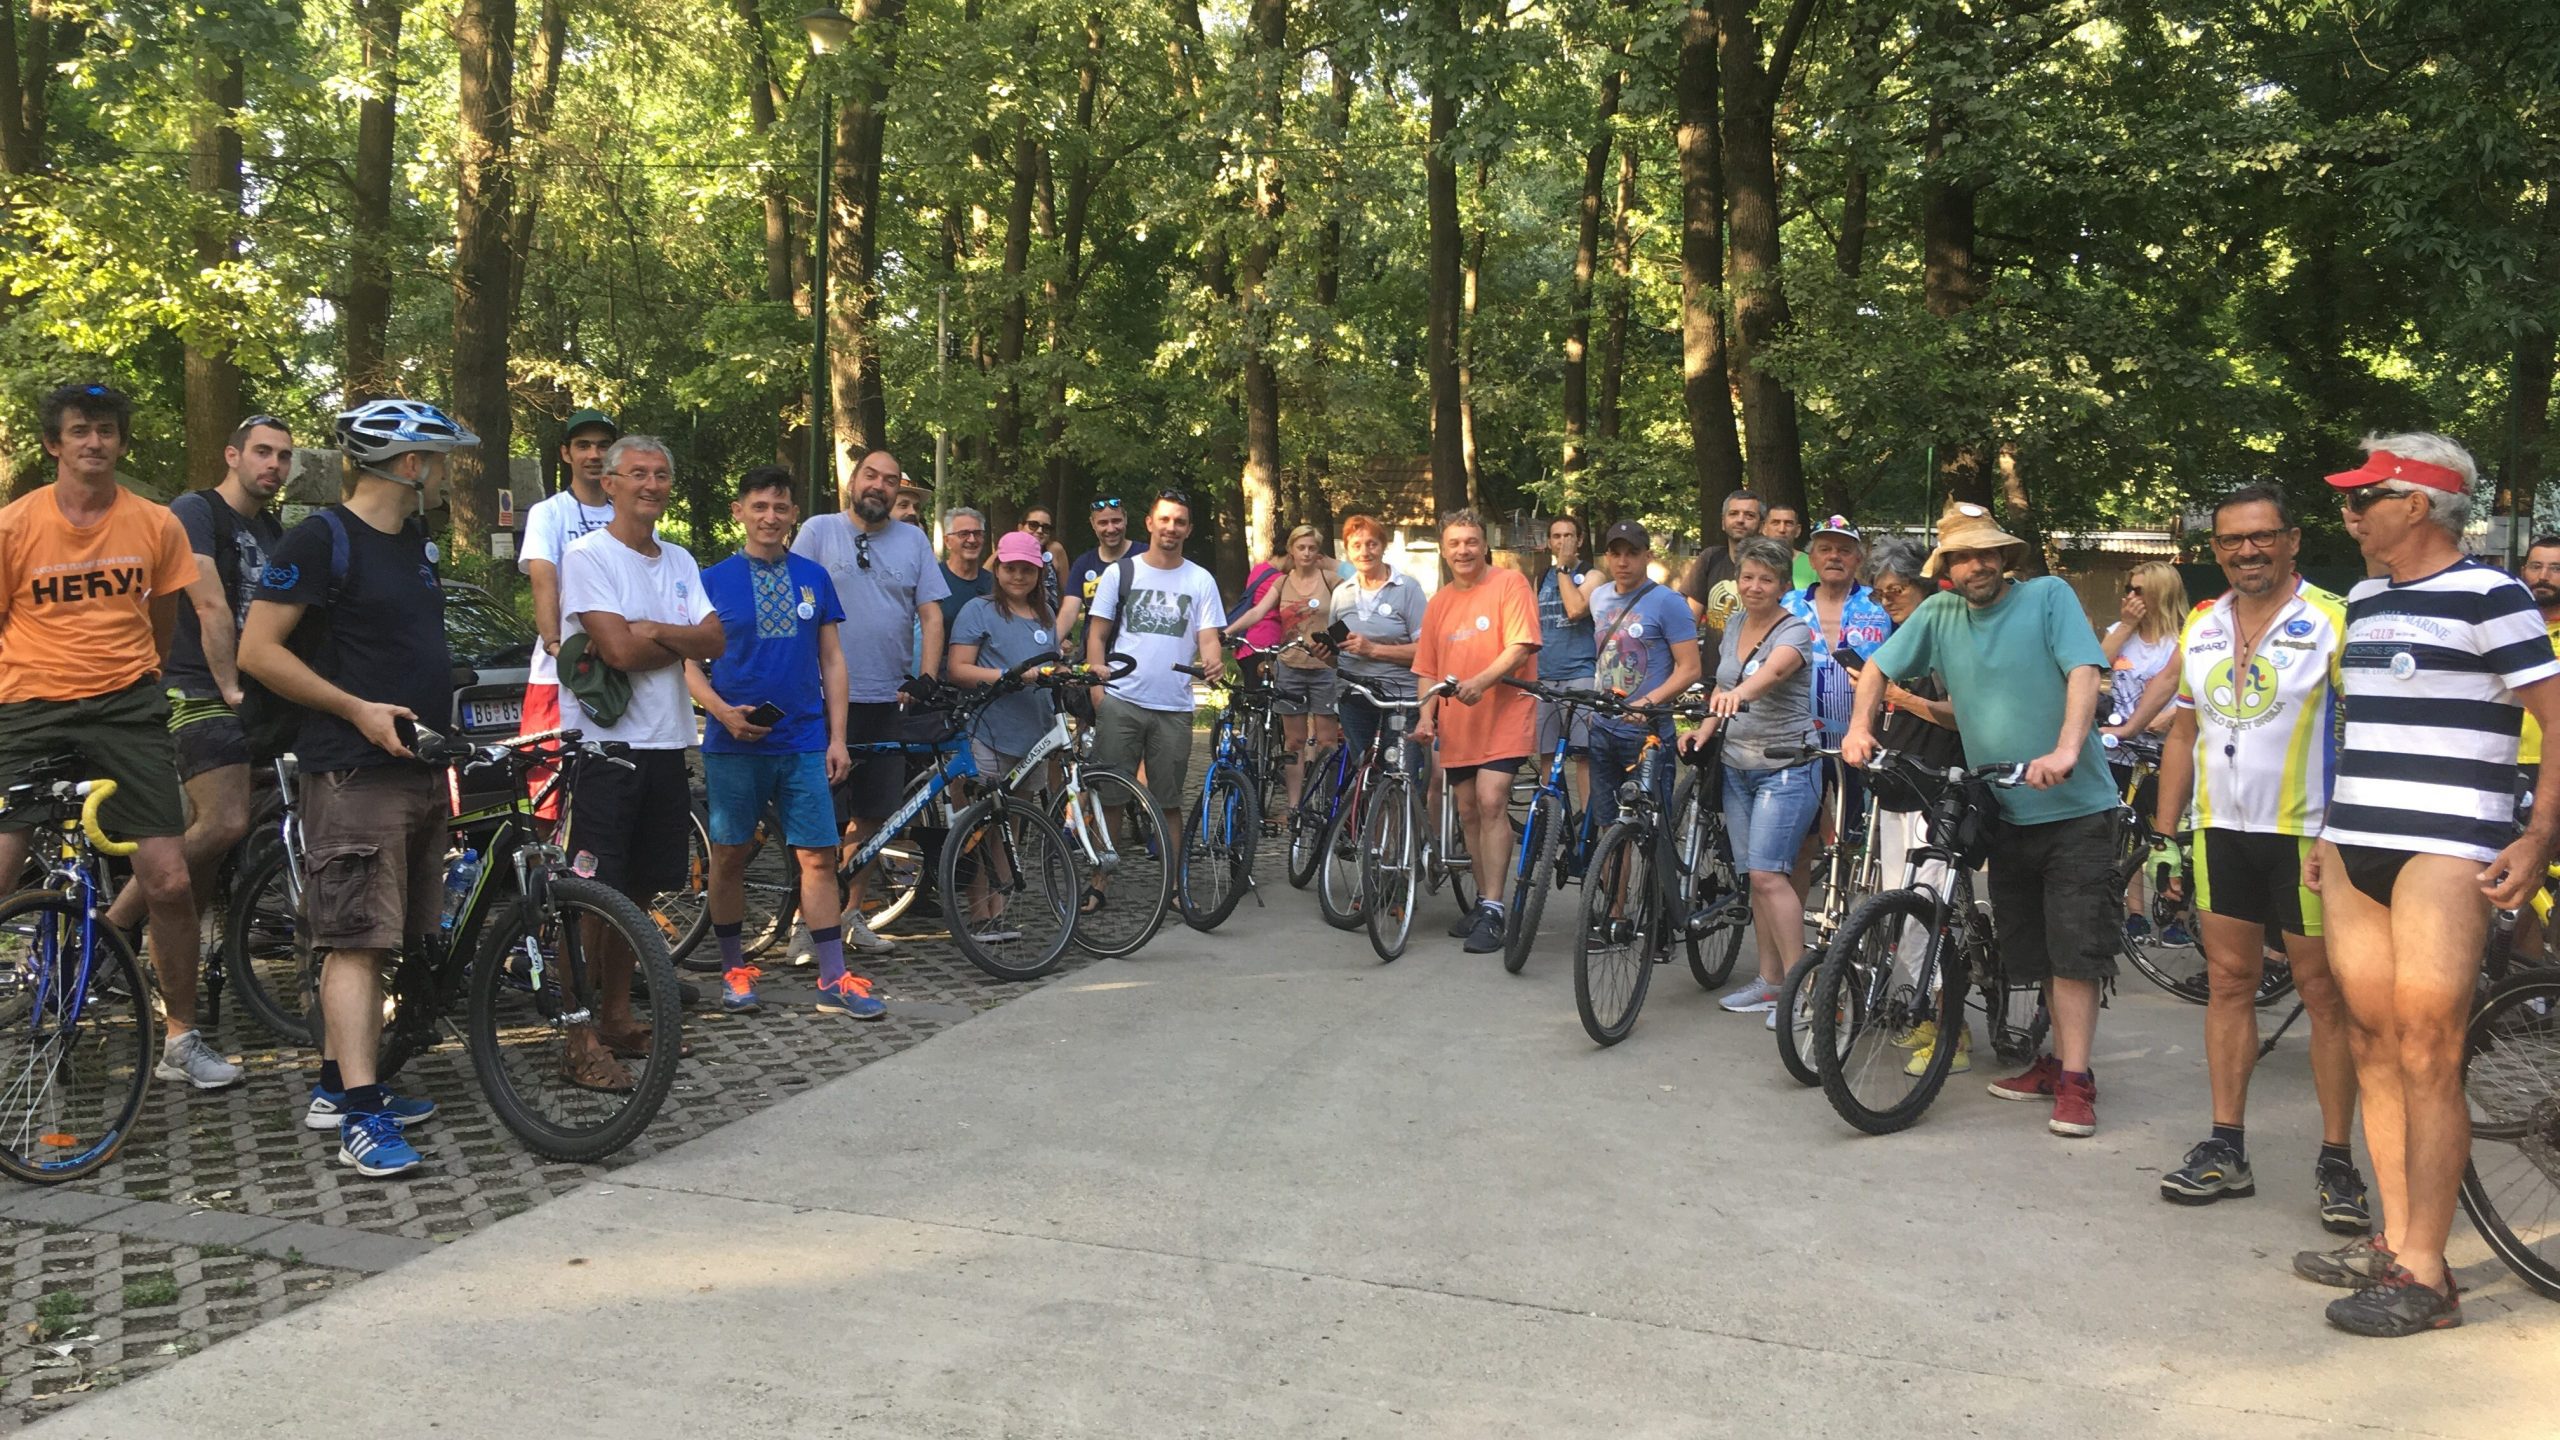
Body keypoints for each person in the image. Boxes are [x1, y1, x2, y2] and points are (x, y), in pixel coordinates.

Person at [2301, 433, 2560, 1337]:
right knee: (2373, 1038)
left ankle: (2429, 1274)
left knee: (2426, 1043)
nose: (2348, 513)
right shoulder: (2367, 597)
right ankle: (2397, 1240)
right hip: (2357, 843)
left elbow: (2556, 721)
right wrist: (2328, 831)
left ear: (2417, 504)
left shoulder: (2494, 593)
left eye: (2362, 499)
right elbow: (2361, 727)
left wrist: (2537, 837)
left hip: (2447, 846)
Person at [239, 398, 479, 1175]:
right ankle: (363, 1122)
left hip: (414, 769)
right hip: (349, 769)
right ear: (410, 466)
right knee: (355, 940)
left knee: (400, 933)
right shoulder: (320, 539)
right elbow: (258, 650)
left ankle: (336, 1085)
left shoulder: (414, 541)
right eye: (439, 459)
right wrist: (355, 708)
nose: (445, 474)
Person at [1842, 500, 2117, 1139]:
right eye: (1964, 555)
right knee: (2035, 948)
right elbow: (1879, 665)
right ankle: (2050, 1062)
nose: (1978, 564)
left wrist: (2068, 748)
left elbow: (2084, 669)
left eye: (1988, 552)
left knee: (2073, 948)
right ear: (1948, 567)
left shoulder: (2048, 596)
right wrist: (1859, 728)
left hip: (2077, 806)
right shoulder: (1937, 613)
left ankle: (2076, 1081)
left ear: (2004, 557)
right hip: (2005, 806)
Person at [0, 383, 236, 1094]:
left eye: (105, 431)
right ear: (54, 444)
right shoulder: (14, 527)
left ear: (120, 442)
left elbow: (163, 619)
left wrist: (139, 682)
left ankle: (182, 1039)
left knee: (169, 877)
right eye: (79, 431)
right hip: (29, 707)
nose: (94, 443)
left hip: (127, 708)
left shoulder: (156, 524)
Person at [2145, 483, 2366, 1234]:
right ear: (2215, 550)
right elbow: (2183, 732)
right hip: (2220, 832)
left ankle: (2338, 1158)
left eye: (2263, 536)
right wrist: (2163, 831)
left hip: (2306, 834)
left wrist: (2341, 829)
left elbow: (2364, 738)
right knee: (2231, 982)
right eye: (2233, 540)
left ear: (2292, 539)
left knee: (2324, 993)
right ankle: (2225, 1145)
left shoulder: (2334, 618)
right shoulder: (2202, 625)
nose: (2249, 550)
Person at [557, 438, 727, 1076]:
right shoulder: (587, 556)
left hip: (667, 742)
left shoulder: (680, 558)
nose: (651, 484)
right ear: (610, 484)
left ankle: (618, 1019)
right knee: (591, 892)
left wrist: (649, 629)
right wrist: (663, 640)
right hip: (608, 749)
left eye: (662, 473)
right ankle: (577, 1039)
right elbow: (618, 654)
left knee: (637, 890)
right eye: (638, 474)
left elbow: (715, 639)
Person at [686, 466, 881, 1023]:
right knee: (728, 856)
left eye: (781, 507)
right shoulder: (710, 580)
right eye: (760, 506)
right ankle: (734, 969)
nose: (770, 516)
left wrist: (837, 737)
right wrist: (720, 712)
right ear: (739, 512)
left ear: (794, 514)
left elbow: (833, 660)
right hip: (731, 745)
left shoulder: (814, 577)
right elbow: (687, 665)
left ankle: (833, 973)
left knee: (818, 857)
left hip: (802, 742)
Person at [110, 415, 290, 988]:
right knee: (223, 822)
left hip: (251, 694)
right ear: (232, 455)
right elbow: (209, 604)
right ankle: (110, 931)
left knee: (211, 856)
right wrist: (231, 687)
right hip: (193, 686)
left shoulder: (273, 530)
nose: (274, 466)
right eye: (262, 452)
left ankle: (181, 976)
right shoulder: (196, 511)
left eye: (284, 457)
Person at [792, 448, 948, 952]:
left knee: (874, 813)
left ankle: (850, 914)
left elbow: (931, 614)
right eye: (870, 476)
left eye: (889, 480)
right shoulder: (818, 530)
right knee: (818, 814)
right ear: (853, 481)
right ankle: (805, 922)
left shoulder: (914, 539)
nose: (878, 486)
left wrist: (925, 678)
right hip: (821, 698)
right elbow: (793, 601)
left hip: (887, 697)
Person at [1682, 536, 1818, 1019]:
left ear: (1783, 585)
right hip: (1737, 766)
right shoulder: (1736, 621)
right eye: (1747, 577)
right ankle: (1770, 981)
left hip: (1786, 767)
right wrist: (1703, 730)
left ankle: (1805, 991)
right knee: (1753, 879)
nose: (1754, 586)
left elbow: (1774, 674)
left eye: (1765, 579)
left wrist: (1741, 695)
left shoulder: (1796, 631)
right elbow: (1722, 683)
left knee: (1768, 874)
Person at [1856, 538, 1971, 1072]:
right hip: (1901, 782)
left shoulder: (1947, 632)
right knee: (1901, 906)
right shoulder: (1903, 634)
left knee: (1931, 909)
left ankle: (1955, 1032)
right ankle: (1926, 1011)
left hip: (1939, 785)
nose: (1887, 602)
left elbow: (1959, 713)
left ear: (1922, 584)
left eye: (1894, 590)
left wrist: (1898, 697)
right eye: (1879, 595)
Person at [1411, 510, 1540, 955]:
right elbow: (1426, 669)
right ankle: (1487, 903)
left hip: (1504, 713)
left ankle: (1495, 907)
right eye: (1454, 543)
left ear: (1484, 546)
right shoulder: (1439, 603)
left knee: (1490, 799)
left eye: (1471, 541)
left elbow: (1520, 647)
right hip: (1458, 722)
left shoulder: (1510, 585)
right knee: (1466, 810)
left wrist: (1482, 682)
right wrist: (1426, 716)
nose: (1463, 550)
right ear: (1444, 551)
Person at [1084, 490, 1225, 887]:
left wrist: (1212, 658)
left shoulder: (1200, 579)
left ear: (1189, 529)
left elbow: (1209, 636)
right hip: (1122, 700)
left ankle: (1175, 884)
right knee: (1110, 797)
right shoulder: (1121, 572)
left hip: (1174, 707)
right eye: (1164, 520)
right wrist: (1098, 684)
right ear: (1149, 523)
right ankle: (1101, 882)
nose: (1171, 528)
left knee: (1168, 802)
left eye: (1179, 521)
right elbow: (1097, 635)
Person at [945, 531, 1066, 941]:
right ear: (998, 569)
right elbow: (958, 669)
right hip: (990, 731)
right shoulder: (978, 611)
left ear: (1038, 572)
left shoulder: (1046, 613)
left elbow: (1053, 666)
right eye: (1010, 568)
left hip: (1034, 734)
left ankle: (1000, 907)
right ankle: (979, 912)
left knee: (1012, 824)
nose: (1018, 576)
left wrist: (1075, 674)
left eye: (1026, 569)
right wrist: (1005, 676)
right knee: (981, 825)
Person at [1585, 520, 1702, 907]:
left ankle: (1659, 916)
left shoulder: (1668, 602)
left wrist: (1648, 702)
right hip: (1603, 727)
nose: (1623, 561)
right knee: (1608, 826)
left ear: (1647, 556)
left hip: (1646, 734)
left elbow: (1689, 668)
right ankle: (1614, 913)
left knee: (1654, 830)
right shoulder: (1599, 597)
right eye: (1615, 553)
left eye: (1632, 553)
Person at [518, 409, 621, 811]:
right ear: (566, 454)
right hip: (560, 672)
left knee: (608, 783)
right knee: (546, 791)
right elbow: (544, 580)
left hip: (617, 668)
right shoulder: (549, 512)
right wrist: (556, 645)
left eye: (603, 445)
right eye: (583, 445)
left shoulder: (629, 513)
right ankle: (541, 872)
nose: (594, 454)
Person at [1782, 515, 1892, 856]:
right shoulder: (1787, 605)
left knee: (1857, 838)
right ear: (1811, 559)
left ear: (1859, 559)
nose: (1834, 557)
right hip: (1802, 741)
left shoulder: (1881, 604)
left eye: (1844, 550)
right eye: (1825, 549)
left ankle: (1851, 904)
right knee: (1802, 836)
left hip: (1861, 741)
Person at [1225, 524, 1342, 812]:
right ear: (1291, 550)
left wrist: (1338, 644)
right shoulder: (1282, 582)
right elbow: (1257, 611)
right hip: (1290, 666)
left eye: (1312, 548)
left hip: (1323, 668)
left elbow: (1350, 613)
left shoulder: (1331, 581)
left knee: (1327, 739)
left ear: (1318, 553)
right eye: (1300, 547)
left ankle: (1328, 803)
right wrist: (1227, 632)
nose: (1306, 553)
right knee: (1294, 741)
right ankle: (1293, 805)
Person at [1329, 514, 1428, 777]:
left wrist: (1372, 649)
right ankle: (1362, 818)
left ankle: (1397, 818)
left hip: (1400, 697)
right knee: (1363, 773)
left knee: (1398, 774)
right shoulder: (1342, 592)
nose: (1364, 551)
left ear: (1383, 546)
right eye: (1356, 545)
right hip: (1354, 695)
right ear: (1347, 550)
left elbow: (1426, 652)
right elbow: (1338, 650)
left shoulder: (1407, 588)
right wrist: (1326, 654)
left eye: (1372, 544)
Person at [1533, 515, 1604, 808]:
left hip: (1580, 674)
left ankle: (1586, 827)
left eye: (1569, 536)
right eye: (1557, 536)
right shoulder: (1541, 577)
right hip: (1545, 677)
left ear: (1581, 540)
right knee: (1547, 754)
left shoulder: (1594, 576)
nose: (1562, 542)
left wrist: (1563, 568)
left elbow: (1575, 609)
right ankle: (1552, 822)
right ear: (1549, 541)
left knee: (1583, 754)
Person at [2102, 561, 2188, 728]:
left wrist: (2169, 716)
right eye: (2129, 590)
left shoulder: (2185, 638)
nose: (2131, 598)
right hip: (2119, 733)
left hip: (2162, 733)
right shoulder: (2117, 632)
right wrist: (2126, 625)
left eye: (2139, 591)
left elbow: (2200, 691)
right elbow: (2097, 668)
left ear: (2161, 595)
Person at [1681, 491, 1766, 639]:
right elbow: (1689, 621)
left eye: (1749, 515)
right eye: (1733, 513)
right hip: (1711, 661)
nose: (1740, 520)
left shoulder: (1773, 567)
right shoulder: (1710, 558)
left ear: (1761, 525)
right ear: (1723, 522)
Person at [1058, 495, 1133, 652]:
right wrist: (1046, 645)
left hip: (1135, 654)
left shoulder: (1145, 556)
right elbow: (1069, 611)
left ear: (1125, 519)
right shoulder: (1083, 564)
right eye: (1103, 523)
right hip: (1093, 654)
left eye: (1116, 521)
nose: (1111, 529)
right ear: (1093, 524)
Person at [935, 506, 994, 638]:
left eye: (977, 533)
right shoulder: (933, 579)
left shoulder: (994, 584)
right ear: (947, 541)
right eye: (964, 534)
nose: (972, 540)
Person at [1020, 505, 1073, 613]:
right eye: (1033, 525)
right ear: (1020, 527)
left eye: (1046, 528)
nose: (1040, 531)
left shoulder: (1055, 550)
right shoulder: (1008, 550)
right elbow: (986, 575)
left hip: (1051, 622)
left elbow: (1068, 593)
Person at [1761, 503, 1819, 588]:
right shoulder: (1752, 562)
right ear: (1764, 528)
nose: (1782, 529)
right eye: (1775, 523)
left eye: (1788, 524)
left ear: (1798, 530)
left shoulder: (1814, 565)